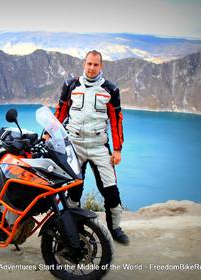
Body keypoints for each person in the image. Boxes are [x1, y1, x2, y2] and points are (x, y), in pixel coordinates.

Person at [49, 50, 129, 245]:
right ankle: (72, 227)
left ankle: (115, 228)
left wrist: (117, 149)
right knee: (74, 190)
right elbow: (60, 112)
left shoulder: (110, 89)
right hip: (74, 145)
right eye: (89, 64)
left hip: (99, 146)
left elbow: (116, 120)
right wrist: (49, 133)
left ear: (101, 66)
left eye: (96, 65)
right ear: (84, 64)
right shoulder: (71, 86)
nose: (92, 68)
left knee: (111, 191)